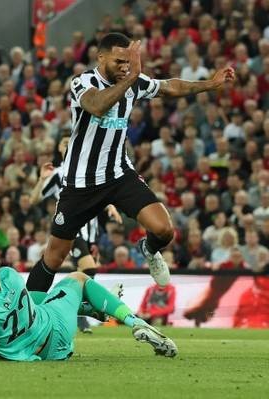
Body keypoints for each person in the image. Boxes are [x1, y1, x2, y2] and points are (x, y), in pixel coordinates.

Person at [26, 33, 235, 294]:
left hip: (118, 174)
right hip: (81, 182)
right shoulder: (83, 81)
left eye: (129, 62)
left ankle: (148, 248)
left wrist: (210, 84)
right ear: (100, 57)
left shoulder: (132, 81)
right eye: (119, 61)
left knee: (164, 229)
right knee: (54, 257)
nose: (125, 67)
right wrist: (133, 77)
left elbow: (170, 86)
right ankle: (25, 319)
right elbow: (97, 106)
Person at [0, 248, 177, 361]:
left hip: (47, 349)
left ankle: (96, 308)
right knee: (76, 279)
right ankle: (130, 320)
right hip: (53, 323)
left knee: (43, 299)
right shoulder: (9, 276)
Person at [30, 135, 123, 333]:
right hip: (71, 231)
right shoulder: (59, 173)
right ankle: (86, 311)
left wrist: (111, 207)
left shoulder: (91, 170)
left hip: (91, 233)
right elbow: (33, 199)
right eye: (64, 143)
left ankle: (78, 314)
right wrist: (41, 179)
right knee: (88, 269)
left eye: (71, 143)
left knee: (84, 275)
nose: (68, 146)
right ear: (59, 148)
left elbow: (102, 194)